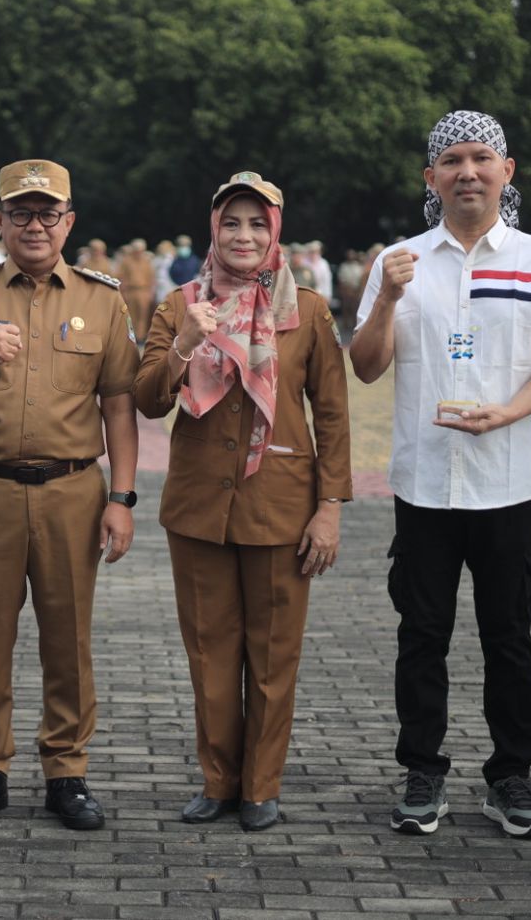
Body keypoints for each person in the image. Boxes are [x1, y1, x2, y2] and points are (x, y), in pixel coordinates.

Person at [351, 110, 531, 839]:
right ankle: (423, 771)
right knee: (422, 635)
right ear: (431, 178)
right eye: (451, 160)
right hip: (423, 485)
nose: (467, 172)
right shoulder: (401, 261)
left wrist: (508, 412)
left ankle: (511, 776)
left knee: (507, 636)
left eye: (482, 158)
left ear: (507, 171)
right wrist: (387, 296)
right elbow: (364, 365)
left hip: (506, 483)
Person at [0, 158, 139, 831]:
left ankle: (66, 772)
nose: (35, 225)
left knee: (68, 637)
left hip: (73, 490)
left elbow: (120, 406)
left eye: (48, 213)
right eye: (21, 212)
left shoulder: (102, 300)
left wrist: (122, 498)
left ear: (69, 222)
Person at [135, 171, 352, 831]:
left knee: (273, 654)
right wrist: (184, 343)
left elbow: (334, 416)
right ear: (214, 229)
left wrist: (331, 507)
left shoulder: (307, 310)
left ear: (276, 232)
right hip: (199, 507)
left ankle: (261, 786)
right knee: (210, 654)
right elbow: (146, 397)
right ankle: (218, 781)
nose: (245, 235)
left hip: (281, 506)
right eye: (232, 222)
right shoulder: (180, 304)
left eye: (258, 223)